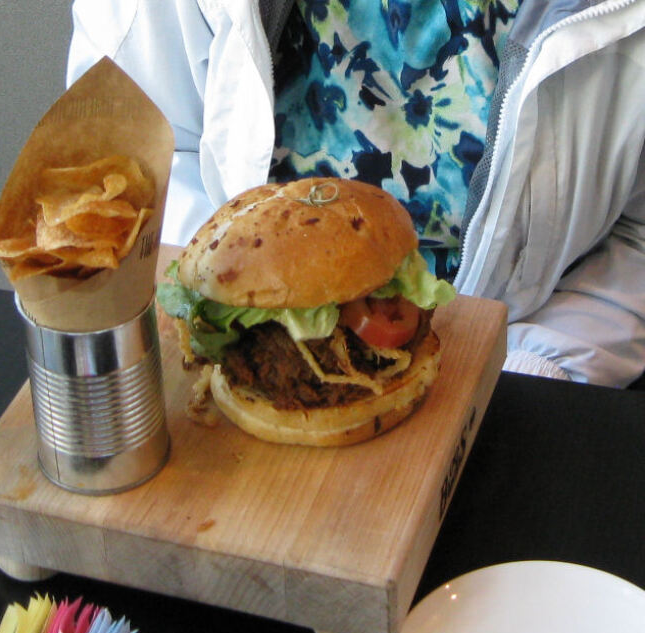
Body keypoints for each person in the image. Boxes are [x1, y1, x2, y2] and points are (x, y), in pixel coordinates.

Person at [66, 0, 645, 387]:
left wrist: (527, 369)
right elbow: (135, 163)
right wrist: (237, 324)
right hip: (228, 374)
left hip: (519, 378)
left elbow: (635, 232)